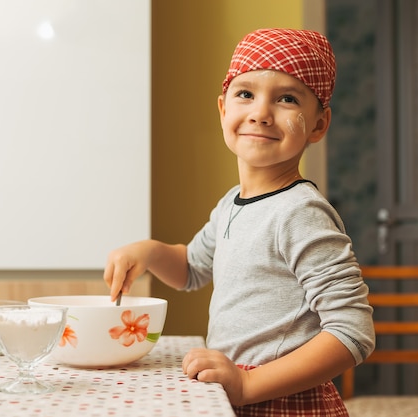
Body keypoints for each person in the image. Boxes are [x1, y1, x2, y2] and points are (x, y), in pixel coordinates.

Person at [103, 28, 375, 416]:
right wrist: (149, 251)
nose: (260, 113)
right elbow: (191, 269)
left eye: (286, 99)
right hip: (236, 394)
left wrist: (249, 383)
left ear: (318, 125)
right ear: (223, 109)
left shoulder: (300, 212)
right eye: (245, 94)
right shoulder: (233, 203)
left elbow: (353, 332)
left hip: (284, 403)